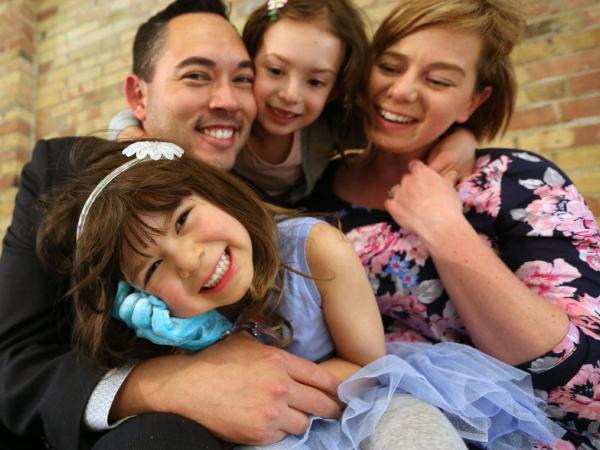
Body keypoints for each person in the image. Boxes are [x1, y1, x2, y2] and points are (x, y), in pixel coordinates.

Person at [38, 139, 563, 449]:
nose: (190, 259)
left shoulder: (316, 249)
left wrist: (277, 389)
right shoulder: (174, 326)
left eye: (183, 219)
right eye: (154, 268)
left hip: (361, 398)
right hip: (264, 436)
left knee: (413, 427)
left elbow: (367, 364)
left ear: (216, 194)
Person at [0, 1, 343, 449]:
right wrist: (172, 384)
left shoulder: (272, 190)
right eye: (197, 76)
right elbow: (15, 361)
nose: (227, 101)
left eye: (243, 79)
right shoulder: (62, 173)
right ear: (139, 96)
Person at [305, 0, 600, 448]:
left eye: (438, 80)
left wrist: (445, 229)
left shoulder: (519, 183)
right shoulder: (310, 198)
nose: (402, 90)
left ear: (473, 101)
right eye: (389, 66)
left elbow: (589, 387)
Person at [111, 0, 479, 206]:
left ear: (334, 90)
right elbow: (139, 113)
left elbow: (395, 129)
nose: (290, 94)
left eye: (315, 81)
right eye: (274, 70)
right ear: (249, 60)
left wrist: (463, 139)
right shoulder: (227, 122)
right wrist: (128, 134)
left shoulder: (331, 127)